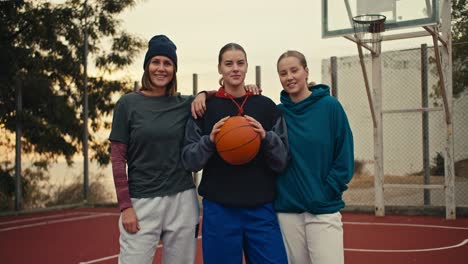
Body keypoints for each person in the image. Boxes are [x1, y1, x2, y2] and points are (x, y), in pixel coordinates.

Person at [109, 35, 260, 264]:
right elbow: (118, 158)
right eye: (156, 62)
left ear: (174, 69)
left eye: (167, 63)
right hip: (142, 201)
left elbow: (220, 95)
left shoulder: (184, 104)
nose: (161, 68)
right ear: (147, 66)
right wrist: (125, 207)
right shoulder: (128, 104)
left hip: (182, 199)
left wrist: (232, 90)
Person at [181, 43, 289, 264]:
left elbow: (282, 161)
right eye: (228, 64)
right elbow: (189, 160)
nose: (235, 68)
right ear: (220, 68)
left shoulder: (266, 107)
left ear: (247, 66)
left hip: (261, 207)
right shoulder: (204, 109)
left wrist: (267, 139)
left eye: (240, 63)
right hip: (220, 208)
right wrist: (210, 141)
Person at [274, 50, 354, 264]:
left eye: (294, 70)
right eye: (283, 73)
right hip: (288, 210)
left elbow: (344, 156)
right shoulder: (277, 113)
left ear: (306, 71)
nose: (289, 77)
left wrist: (326, 192)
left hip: (323, 208)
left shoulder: (330, 107)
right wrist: (204, 95)